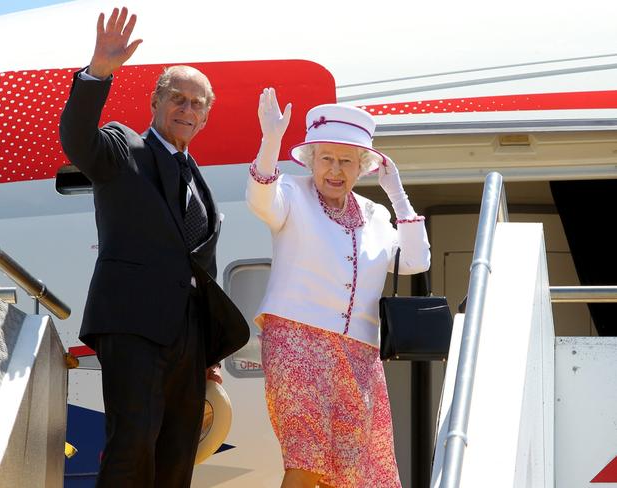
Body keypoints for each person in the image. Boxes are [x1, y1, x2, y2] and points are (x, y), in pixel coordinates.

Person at [59, 7, 249, 487]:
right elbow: (78, 140)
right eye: (177, 99)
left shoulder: (200, 182)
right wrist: (97, 73)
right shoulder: (124, 148)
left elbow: (197, 267)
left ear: (206, 114)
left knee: (178, 453)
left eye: (197, 104)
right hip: (132, 323)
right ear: (155, 102)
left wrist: (206, 354)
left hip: (188, 337)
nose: (187, 110)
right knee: (132, 444)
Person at [246, 88, 431, 488]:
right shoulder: (292, 193)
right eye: (326, 158)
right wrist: (270, 141)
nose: (335, 169)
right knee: (306, 457)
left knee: (352, 472)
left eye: (346, 161)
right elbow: (261, 201)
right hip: (297, 340)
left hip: (359, 353)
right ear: (311, 160)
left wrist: (396, 193)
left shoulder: (376, 214)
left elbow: (416, 262)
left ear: (362, 167)